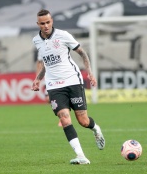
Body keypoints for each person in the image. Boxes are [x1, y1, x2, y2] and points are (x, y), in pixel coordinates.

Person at [32, 9, 105, 164]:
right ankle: (81, 156)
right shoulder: (36, 41)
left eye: (48, 22)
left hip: (72, 80)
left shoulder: (63, 35)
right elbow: (46, 62)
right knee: (64, 118)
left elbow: (82, 53)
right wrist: (38, 78)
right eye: (42, 23)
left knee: (83, 121)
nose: (46, 26)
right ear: (38, 24)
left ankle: (96, 129)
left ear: (52, 21)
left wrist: (90, 73)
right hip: (54, 85)